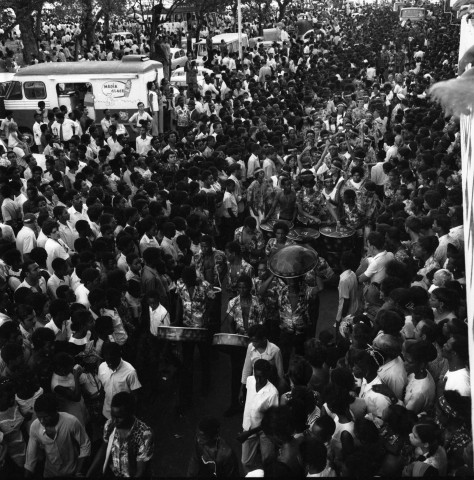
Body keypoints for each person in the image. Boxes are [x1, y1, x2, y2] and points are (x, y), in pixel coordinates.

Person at [87, 392, 153, 477]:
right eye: (113, 415)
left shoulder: (144, 435)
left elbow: (140, 471)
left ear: (130, 414)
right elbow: (104, 448)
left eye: (119, 417)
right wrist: (89, 474)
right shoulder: (109, 425)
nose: (114, 421)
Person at [24, 393, 90, 477]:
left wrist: (78, 472)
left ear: (55, 411)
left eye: (46, 417)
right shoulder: (35, 426)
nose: (42, 421)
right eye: (39, 417)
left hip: (71, 472)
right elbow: (31, 457)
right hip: (50, 473)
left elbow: (85, 445)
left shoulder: (71, 421)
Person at [240, 359, 279, 474]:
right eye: (256, 376)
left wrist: (249, 433)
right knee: (245, 462)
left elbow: (271, 421)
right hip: (248, 427)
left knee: (268, 462)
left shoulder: (272, 393)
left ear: (267, 375)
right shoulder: (250, 380)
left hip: (265, 432)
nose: (258, 380)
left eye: (261, 377)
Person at [97, 343, 141, 420]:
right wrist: (101, 405)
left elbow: (135, 396)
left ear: (119, 356)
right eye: (107, 360)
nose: (110, 363)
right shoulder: (102, 367)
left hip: (123, 416)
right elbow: (102, 388)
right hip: (106, 413)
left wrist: (129, 415)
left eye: (112, 359)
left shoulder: (130, 372)